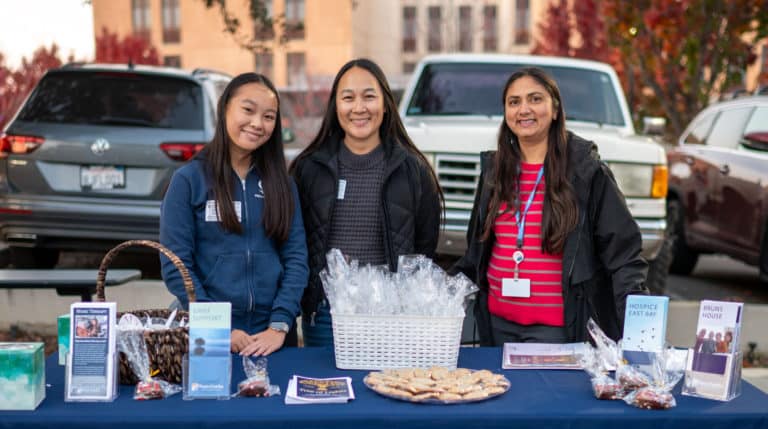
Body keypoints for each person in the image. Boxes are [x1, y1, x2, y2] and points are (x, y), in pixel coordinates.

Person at [453, 67, 647, 345]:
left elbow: (624, 255)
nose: (524, 109)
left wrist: (640, 328)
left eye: (535, 99)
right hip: (496, 327)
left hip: (556, 332)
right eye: (514, 102)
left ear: (555, 110)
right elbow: (475, 254)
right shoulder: (494, 174)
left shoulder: (586, 173)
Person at [290, 58, 443, 347]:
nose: (359, 108)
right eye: (348, 98)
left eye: (369, 96)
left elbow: (424, 249)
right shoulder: (309, 169)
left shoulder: (413, 170)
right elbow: (295, 245)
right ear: (336, 107)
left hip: (392, 315)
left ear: (385, 104)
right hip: (326, 315)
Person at [160, 73, 308, 356]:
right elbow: (175, 264)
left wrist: (280, 324)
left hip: (272, 339)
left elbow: (297, 257)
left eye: (269, 116)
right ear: (225, 108)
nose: (257, 123)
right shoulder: (189, 180)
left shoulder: (282, 183)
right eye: (248, 110)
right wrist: (217, 327)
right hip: (212, 339)